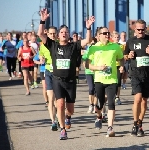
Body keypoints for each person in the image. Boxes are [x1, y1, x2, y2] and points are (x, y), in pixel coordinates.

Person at [38, 8, 95, 140]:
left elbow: (87, 40)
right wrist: (42, 20)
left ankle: (68, 117)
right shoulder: (53, 46)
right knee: (60, 104)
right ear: (58, 35)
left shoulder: (74, 46)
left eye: (66, 32)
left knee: (70, 109)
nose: (64, 34)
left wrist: (88, 28)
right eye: (62, 32)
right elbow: (40, 34)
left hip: (70, 81)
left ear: (69, 35)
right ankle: (63, 129)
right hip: (57, 80)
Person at [86, 27, 124, 137]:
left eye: (108, 33)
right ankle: (99, 116)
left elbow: (121, 58)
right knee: (99, 104)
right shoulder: (93, 48)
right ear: (99, 35)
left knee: (111, 102)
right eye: (105, 33)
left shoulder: (115, 46)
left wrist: (121, 66)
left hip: (112, 80)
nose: (107, 34)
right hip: (99, 80)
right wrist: (98, 68)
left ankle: (110, 127)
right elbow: (87, 64)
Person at [124, 19, 149, 137]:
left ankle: (140, 124)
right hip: (135, 73)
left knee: (144, 101)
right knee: (138, 98)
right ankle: (135, 123)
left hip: (147, 74)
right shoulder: (130, 41)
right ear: (135, 29)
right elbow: (125, 56)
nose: (140, 31)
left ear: (145, 29)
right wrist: (128, 56)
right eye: (138, 29)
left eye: (143, 29)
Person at [39, 26, 59, 131]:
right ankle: (53, 121)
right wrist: (41, 58)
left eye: (54, 33)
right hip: (48, 73)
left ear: (57, 34)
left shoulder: (59, 45)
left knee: (58, 100)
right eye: (50, 34)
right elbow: (40, 55)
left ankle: (59, 117)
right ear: (48, 34)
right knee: (51, 98)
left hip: (58, 73)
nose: (52, 35)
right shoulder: (43, 46)